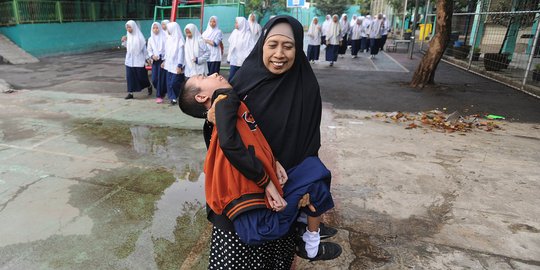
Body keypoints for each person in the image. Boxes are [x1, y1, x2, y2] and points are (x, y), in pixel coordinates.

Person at [179, 73, 337, 261]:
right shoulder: (225, 99)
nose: (214, 73)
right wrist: (267, 182)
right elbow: (230, 144)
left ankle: (307, 232)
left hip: (253, 194)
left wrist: (274, 160)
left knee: (313, 174)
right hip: (255, 205)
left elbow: (252, 138)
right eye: (204, 77)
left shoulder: (225, 107)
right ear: (201, 97)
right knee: (315, 173)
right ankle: (309, 239)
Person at [230, 15, 341, 268]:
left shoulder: (306, 85)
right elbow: (222, 137)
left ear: (298, 47)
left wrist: (305, 187)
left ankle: (305, 237)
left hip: (287, 185)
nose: (279, 54)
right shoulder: (243, 82)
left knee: (278, 255)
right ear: (262, 45)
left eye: (288, 46)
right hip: (246, 185)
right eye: (272, 45)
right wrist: (211, 115)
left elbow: (310, 140)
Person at [122, 20, 151, 100]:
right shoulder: (128, 36)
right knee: (130, 77)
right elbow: (127, 48)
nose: (128, 29)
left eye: (130, 27)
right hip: (129, 61)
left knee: (142, 77)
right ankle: (130, 93)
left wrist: (147, 59)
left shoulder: (140, 38)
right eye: (127, 27)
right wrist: (124, 41)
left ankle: (148, 85)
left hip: (139, 61)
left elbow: (144, 50)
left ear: (134, 27)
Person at [162, 21, 185, 105]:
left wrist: (179, 65)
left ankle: (178, 95)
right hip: (169, 64)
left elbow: (181, 54)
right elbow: (167, 52)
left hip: (176, 65)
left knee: (174, 82)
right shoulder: (169, 39)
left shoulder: (180, 41)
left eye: (168, 29)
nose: (167, 30)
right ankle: (173, 98)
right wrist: (164, 61)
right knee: (169, 82)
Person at [227, 17, 254, 81]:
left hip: (243, 61)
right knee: (232, 78)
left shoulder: (248, 35)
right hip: (234, 60)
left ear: (241, 23)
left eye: (236, 23)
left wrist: (246, 57)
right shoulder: (234, 32)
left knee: (242, 79)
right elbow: (231, 46)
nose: (235, 24)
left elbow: (251, 48)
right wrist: (229, 57)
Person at [147, 22, 167, 103]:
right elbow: (149, 49)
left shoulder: (165, 37)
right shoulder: (150, 39)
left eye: (157, 28)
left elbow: (167, 49)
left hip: (162, 61)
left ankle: (159, 95)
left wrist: (164, 59)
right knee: (154, 79)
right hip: (155, 61)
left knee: (161, 78)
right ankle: (161, 91)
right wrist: (152, 56)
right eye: (154, 28)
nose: (155, 30)